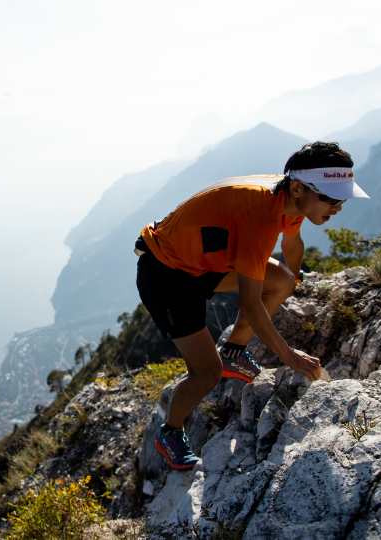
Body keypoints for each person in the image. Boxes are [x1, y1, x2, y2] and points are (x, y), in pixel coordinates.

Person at [134, 142, 369, 469]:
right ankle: (170, 432)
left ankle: (234, 351)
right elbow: (250, 302)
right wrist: (289, 357)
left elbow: (292, 242)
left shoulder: (290, 199)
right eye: (330, 198)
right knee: (207, 373)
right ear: (299, 188)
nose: (339, 206)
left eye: (342, 198)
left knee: (282, 281)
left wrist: (296, 279)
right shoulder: (260, 213)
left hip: (203, 264)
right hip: (166, 276)